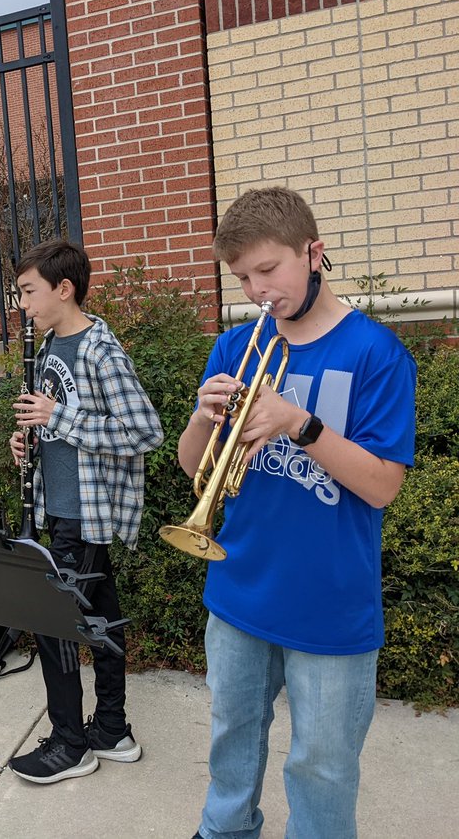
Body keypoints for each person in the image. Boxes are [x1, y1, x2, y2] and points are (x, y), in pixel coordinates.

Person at [177, 187, 416, 839]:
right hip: (239, 588)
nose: (258, 290)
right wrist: (203, 417)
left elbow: (383, 487)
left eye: (268, 270)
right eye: (243, 277)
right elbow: (192, 467)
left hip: (331, 602)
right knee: (231, 741)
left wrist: (301, 423)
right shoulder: (234, 347)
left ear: (314, 253)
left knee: (323, 767)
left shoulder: (376, 353)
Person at [6, 240, 163, 783]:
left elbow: (145, 430)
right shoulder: (50, 346)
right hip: (64, 509)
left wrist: (60, 416)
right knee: (101, 620)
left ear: (63, 288)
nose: (22, 303)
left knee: (55, 626)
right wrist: (29, 440)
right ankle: (113, 730)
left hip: (89, 514)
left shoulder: (99, 349)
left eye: (28, 291)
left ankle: (71, 745)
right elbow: (53, 425)